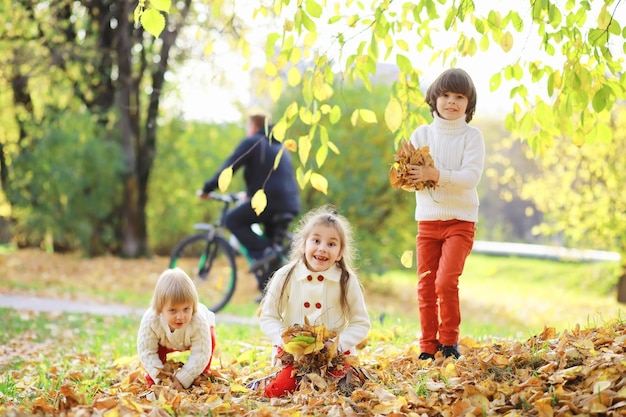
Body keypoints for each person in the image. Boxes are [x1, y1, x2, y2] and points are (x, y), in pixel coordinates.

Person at [406, 68, 485, 361]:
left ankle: (449, 343)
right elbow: (411, 175)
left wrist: (434, 174)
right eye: (445, 95)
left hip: (460, 222)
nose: (451, 102)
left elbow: (470, 178)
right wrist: (412, 177)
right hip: (427, 221)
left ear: (469, 103)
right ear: (434, 99)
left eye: (459, 97)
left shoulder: (471, 137)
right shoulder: (421, 134)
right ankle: (428, 345)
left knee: (445, 281)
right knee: (426, 284)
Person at [259, 205, 371, 398]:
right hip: (294, 352)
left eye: (331, 244)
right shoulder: (286, 275)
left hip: (332, 354)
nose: (322, 248)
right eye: (316, 240)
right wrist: (285, 341)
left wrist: (339, 345)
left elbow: (361, 323)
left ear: (340, 252)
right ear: (303, 244)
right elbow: (269, 316)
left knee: (343, 390)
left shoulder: (346, 280)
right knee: (280, 390)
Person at [199, 110, 301, 294]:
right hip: (290, 202)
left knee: (232, 220)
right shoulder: (278, 146)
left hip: (270, 201)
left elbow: (229, 168)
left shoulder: (253, 141)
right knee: (272, 256)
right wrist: (249, 193)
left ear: (253, 126)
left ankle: (264, 253)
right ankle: (269, 293)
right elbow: (268, 174)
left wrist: (207, 189)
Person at [137, 268, 216, 390]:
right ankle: (156, 378)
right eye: (173, 310)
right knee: (155, 363)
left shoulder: (198, 320)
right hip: (165, 341)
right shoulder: (151, 320)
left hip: (192, 338)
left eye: (186, 309)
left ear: (193, 306)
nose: (180, 316)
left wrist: (183, 379)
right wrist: (161, 378)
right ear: (160, 309)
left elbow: (201, 352)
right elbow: (147, 351)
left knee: (209, 339)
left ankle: (202, 372)